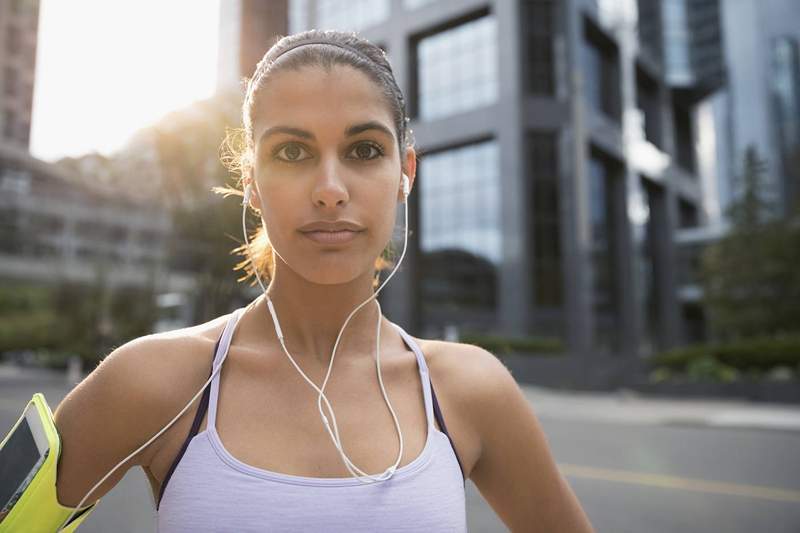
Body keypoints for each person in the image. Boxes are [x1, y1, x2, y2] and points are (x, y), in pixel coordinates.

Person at [52, 29, 595, 532]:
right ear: (252, 183)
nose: (330, 189)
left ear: (405, 171)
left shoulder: (471, 389)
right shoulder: (152, 381)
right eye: (292, 152)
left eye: (364, 150)